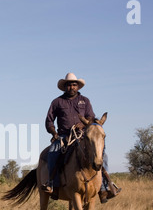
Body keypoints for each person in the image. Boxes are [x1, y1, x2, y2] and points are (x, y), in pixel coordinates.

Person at [41, 72, 121, 203]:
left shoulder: (85, 101)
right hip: (64, 135)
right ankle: (52, 185)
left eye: (74, 84)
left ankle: (103, 188)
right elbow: (49, 121)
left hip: (83, 135)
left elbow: (91, 117)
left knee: (102, 156)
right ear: (65, 87)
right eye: (69, 85)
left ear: (77, 86)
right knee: (52, 152)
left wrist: (82, 123)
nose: (71, 87)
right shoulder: (57, 102)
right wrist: (54, 133)